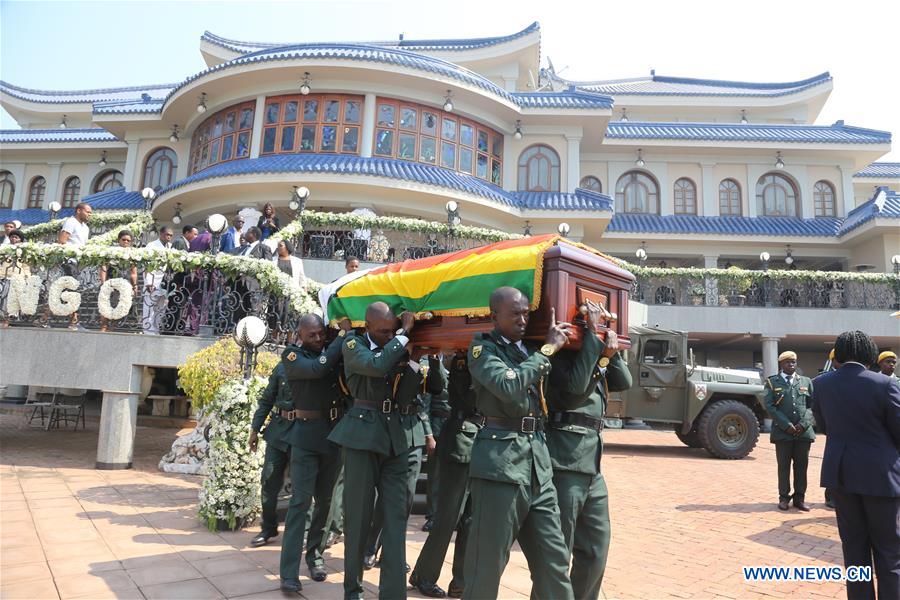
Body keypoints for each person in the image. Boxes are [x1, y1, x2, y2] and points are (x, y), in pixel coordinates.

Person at [464, 286, 575, 600]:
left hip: (537, 464)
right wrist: (548, 350)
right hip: (500, 464)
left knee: (554, 561)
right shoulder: (482, 349)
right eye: (515, 314)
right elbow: (507, 385)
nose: (523, 320)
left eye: (527, 313)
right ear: (494, 315)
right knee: (487, 565)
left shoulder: (530, 348)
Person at [327, 302, 428, 599]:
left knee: (396, 518)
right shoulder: (353, 344)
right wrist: (403, 337)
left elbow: (408, 394)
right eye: (382, 331)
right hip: (362, 435)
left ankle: (393, 594)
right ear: (368, 327)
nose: (388, 335)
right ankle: (353, 590)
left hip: (395, 437)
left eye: (391, 330)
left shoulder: (397, 347)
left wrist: (415, 360)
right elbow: (375, 366)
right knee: (357, 518)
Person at [538, 300, 632, 599]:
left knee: (595, 548)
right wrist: (592, 336)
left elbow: (624, 381)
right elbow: (576, 389)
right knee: (557, 552)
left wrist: (609, 352)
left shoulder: (594, 352)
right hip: (564, 461)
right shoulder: (559, 352)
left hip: (591, 463)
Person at [813, 330, 900, 600]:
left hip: (841, 476)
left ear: (838, 354)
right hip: (881, 478)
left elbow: (824, 426)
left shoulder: (820, 384)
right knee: (889, 552)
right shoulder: (885, 384)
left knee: (854, 551)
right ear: (869, 354)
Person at [277, 315, 354, 594]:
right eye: (312, 335)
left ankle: (315, 556)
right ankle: (288, 572)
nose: (319, 339)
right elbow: (318, 370)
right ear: (300, 335)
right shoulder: (292, 356)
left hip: (332, 437)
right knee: (300, 503)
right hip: (306, 439)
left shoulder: (332, 351)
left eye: (322, 334)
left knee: (325, 502)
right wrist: (342, 337)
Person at [361, 353, 438, 571]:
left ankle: (392, 552)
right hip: (393, 430)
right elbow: (400, 396)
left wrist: (434, 359)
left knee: (406, 500)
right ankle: (370, 548)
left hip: (414, 432)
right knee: (387, 500)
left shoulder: (423, 365)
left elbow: (431, 395)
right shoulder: (389, 359)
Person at [410, 354, 478, 598]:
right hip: (462, 442)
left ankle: (460, 581)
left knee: (471, 521)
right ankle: (424, 576)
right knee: (448, 517)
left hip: (483, 442)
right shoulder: (463, 361)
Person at [248, 360, 295, 549]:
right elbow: (267, 398)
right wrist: (255, 429)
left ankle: (304, 531)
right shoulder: (283, 365)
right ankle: (268, 527)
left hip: (304, 433)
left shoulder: (316, 364)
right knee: (268, 479)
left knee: (303, 487)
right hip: (278, 431)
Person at [763, 351, 815, 511]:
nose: (791, 365)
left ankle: (799, 498)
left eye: (793, 362)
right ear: (781, 364)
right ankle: (784, 498)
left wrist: (803, 424)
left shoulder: (806, 381)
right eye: (787, 362)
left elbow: (812, 406)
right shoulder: (772, 382)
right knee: (783, 466)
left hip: (803, 432)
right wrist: (787, 425)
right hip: (782, 433)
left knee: (801, 467)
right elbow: (769, 406)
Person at [421, 356, 451, 533]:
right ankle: (432, 516)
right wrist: (429, 435)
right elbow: (425, 406)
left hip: (460, 428)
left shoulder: (467, 362)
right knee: (436, 475)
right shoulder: (430, 366)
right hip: (438, 428)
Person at [99, 230, 139, 332]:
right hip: (111, 282)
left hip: (125, 284)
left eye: (128, 240)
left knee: (120, 306)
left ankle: (112, 328)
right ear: (118, 240)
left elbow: (133, 272)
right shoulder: (111, 252)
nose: (126, 242)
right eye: (124, 239)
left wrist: (135, 285)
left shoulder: (132, 254)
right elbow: (104, 267)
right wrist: (103, 283)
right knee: (106, 305)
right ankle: (103, 328)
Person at [143, 227, 173, 334]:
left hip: (164, 283)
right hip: (153, 281)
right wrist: (148, 282)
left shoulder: (170, 246)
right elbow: (147, 266)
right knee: (149, 307)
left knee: (161, 309)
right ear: (160, 234)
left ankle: (156, 330)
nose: (169, 237)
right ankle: (147, 330)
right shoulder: (151, 245)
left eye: (170, 235)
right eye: (167, 234)